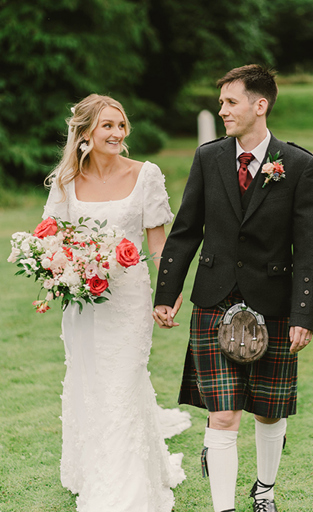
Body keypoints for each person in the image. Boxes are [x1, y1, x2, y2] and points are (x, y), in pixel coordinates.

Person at [152, 64, 313, 512]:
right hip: (215, 298)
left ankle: (263, 490)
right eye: (223, 102)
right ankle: (223, 508)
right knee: (223, 414)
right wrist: (166, 293)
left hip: (274, 303)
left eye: (231, 101)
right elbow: (186, 230)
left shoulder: (300, 165)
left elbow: (308, 249)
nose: (222, 109)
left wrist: (304, 315)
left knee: (269, 410)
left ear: (259, 105)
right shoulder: (209, 158)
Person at [42, 94, 191, 511]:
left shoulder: (146, 175)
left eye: (121, 125)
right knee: (92, 384)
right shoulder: (66, 181)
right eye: (107, 125)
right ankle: (92, 469)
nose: (117, 133)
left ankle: (124, 491)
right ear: (85, 131)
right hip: (83, 304)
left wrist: (169, 291)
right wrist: (64, 269)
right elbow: (49, 238)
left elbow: (158, 244)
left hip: (128, 301)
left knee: (123, 382)